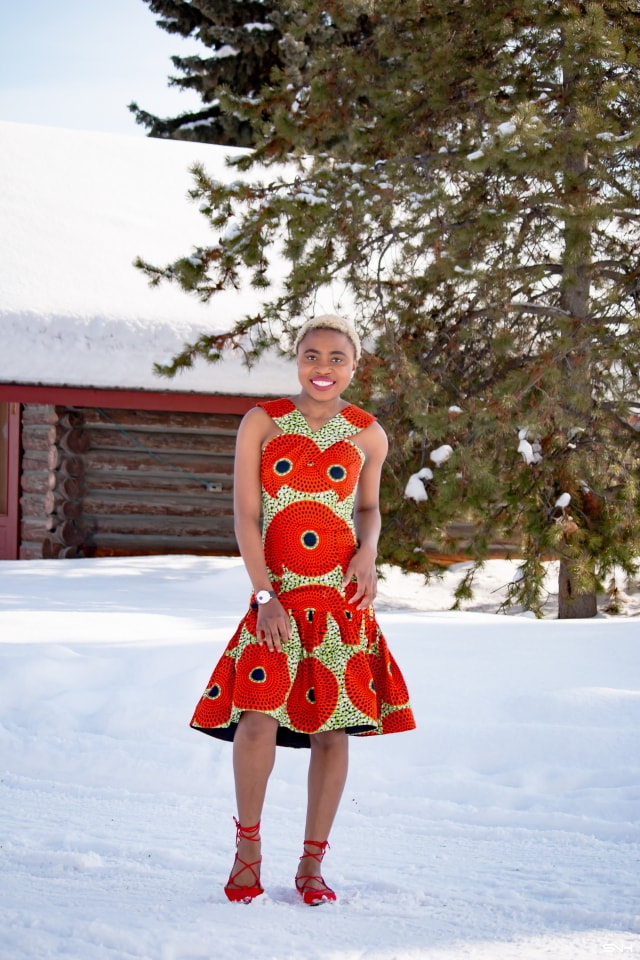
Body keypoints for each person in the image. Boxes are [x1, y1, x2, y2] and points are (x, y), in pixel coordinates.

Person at [190, 314, 416, 905]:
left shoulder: (368, 433)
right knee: (257, 719)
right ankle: (247, 851)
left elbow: (368, 510)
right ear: (297, 359)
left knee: (333, 734)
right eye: (312, 356)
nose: (324, 368)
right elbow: (246, 516)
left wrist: (368, 551)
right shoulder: (262, 422)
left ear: (353, 366)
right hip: (279, 597)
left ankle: (312, 866)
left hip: (340, 601)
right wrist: (263, 595)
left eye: (336, 358)